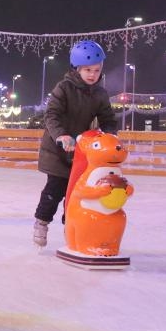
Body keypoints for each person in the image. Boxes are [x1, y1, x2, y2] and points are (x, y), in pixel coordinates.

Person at [32, 40, 117, 247]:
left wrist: (110, 134)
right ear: (76, 68)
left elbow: (108, 118)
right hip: (57, 149)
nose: (92, 75)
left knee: (76, 195)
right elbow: (51, 115)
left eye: (96, 70)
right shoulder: (64, 88)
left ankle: (72, 230)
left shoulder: (99, 93)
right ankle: (41, 222)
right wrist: (61, 136)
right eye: (87, 70)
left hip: (81, 153)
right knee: (56, 189)